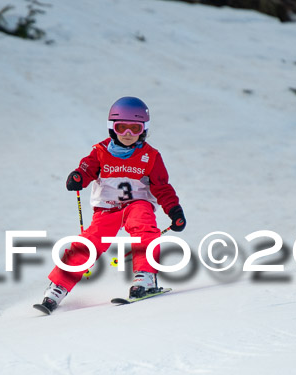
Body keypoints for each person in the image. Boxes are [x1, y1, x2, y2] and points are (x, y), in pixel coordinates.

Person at [39, 96, 186, 313]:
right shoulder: (100, 152)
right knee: (89, 242)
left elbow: (162, 187)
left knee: (142, 225)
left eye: (134, 128)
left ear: (143, 129)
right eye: (121, 127)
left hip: (137, 204)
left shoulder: (151, 157)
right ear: (112, 128)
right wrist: (79, 176)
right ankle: (59, 286)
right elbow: (87, 168)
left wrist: (174, 209)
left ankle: (145, 277)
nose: (128, 134)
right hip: (106, 209)